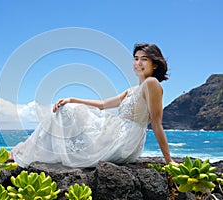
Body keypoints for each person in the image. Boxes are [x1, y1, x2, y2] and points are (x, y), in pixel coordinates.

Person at [9, 43, 175, 167]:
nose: (138, 63)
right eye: (136, 59)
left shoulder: (152, 83)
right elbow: (103, 104)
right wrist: (73, 99)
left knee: (68, 115)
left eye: (144, 60)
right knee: (66, 109)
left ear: (154, 64)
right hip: (115, 133)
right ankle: (26, 151)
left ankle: (23, 152)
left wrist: (169, 161)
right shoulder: (131, 89)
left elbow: (156, 123)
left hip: (125, 140)